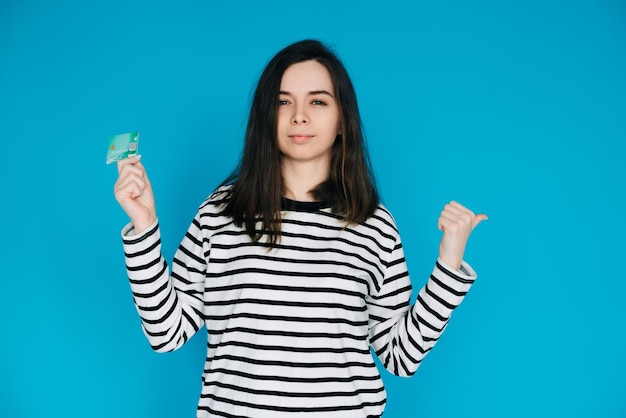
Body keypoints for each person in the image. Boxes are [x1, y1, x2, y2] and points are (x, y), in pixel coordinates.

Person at [114, 39, 487, 418]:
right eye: (283, 101)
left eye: (318, 101)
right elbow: (165, 332)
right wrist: (143, 228)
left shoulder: (373, 224)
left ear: (343, 120)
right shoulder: (221, 213)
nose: (299, 116)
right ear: (265, 116)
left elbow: (400, 356)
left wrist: (448, 267)